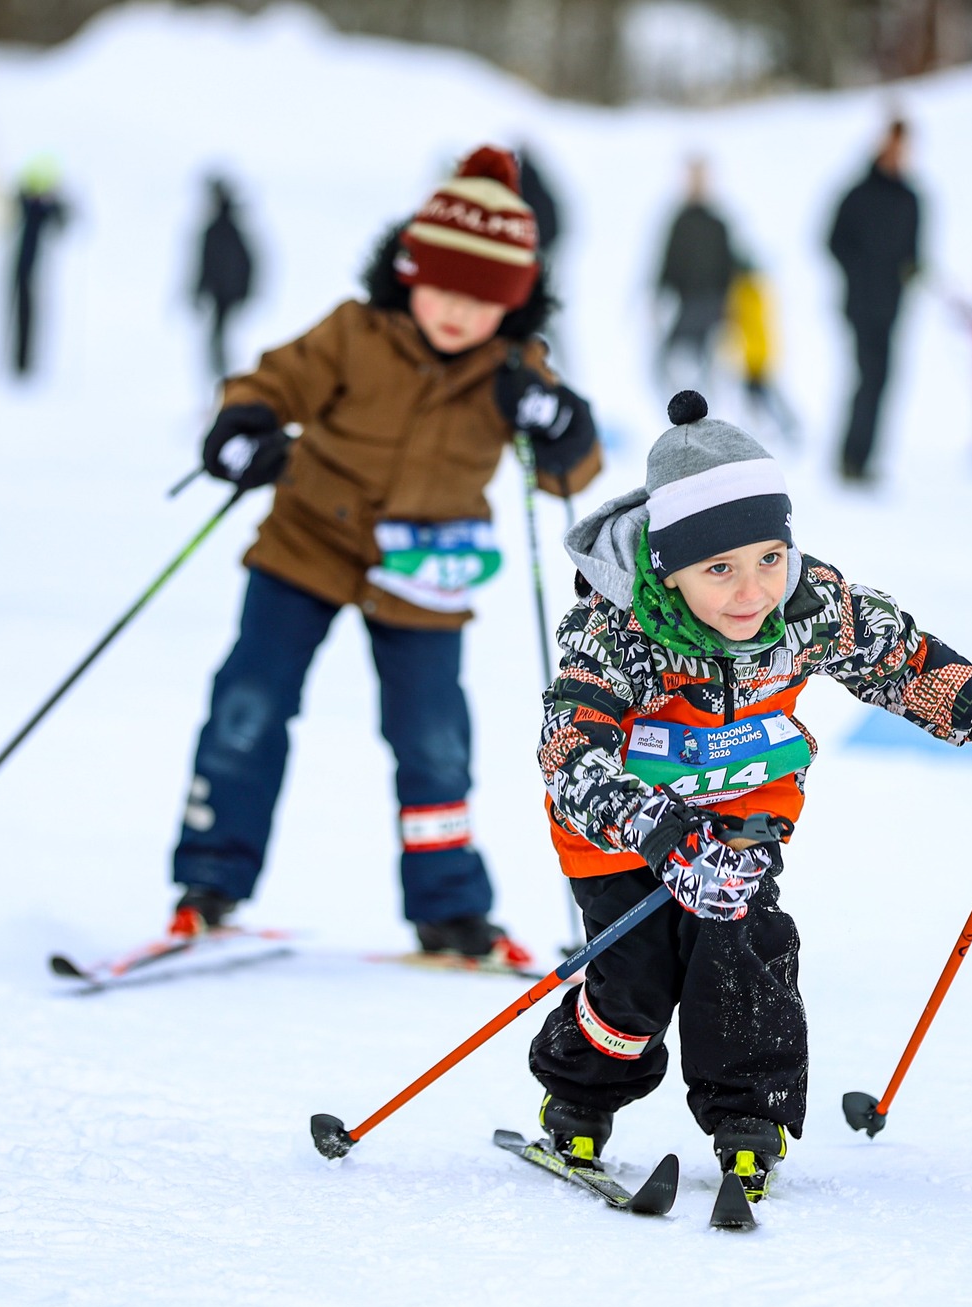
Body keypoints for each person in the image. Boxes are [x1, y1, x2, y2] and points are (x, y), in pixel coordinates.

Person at [526, 389, 972, 1205]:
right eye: (718, 569)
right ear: (667, 567)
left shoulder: (810, 605)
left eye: (768, 556)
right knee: (636, 984)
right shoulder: (617, 629)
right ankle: (579, 1099)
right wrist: (656, 828)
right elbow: (568, 747)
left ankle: (749, 1118)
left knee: (743, 947)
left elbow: (905, 666)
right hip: (624, 829)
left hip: (743, 812)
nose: (751, 590)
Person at [168, 146, 604, 966]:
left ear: (512, 303)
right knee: (248, 702)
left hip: (425, 574)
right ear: (408, 274)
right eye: (443, 289)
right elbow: (268, 383)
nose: (457, 312)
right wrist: (243, 427)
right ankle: (209, 882)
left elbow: (568, 473)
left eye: (482, 299)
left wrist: (558, 422)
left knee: (434, 737)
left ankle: (450, 908)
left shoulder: (514, 370)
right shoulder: (354, 333)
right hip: (305, 545)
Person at [828, 119, 923, 485]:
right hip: (861, 304)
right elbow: (834, 241)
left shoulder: (910, 199)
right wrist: (861, 272)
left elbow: (912, 251)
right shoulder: (858, 194)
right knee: (868, 377)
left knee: (882, 380)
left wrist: (911, 270)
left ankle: (861, 458)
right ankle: (851, 458)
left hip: (891, 307)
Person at [655, 158, 736, 391]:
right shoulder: (680, 222)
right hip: (687, 305)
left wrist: (730, 306)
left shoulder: (717, 224)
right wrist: (659, 293)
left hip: (713, 307)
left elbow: (728, 267)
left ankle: (706, 403)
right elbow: (668, 262)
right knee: (669, 363)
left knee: (711, 369)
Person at [724, 254, 797, 441]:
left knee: (762, 397)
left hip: (752, 359)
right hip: (759, 355)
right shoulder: (757, 290)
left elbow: (742, 325)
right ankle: (780, 426)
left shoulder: (743, 293)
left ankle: (783, 426)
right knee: (761, 397)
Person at [8, 155, 69, 379]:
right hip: (20, 267)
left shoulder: (51, 211)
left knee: (37, 314)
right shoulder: (20, 205)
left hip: (41, 272)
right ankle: (18, 363)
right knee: (18, 313)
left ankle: (31, 364)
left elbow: (64, 226)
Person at [194, 175, 253, 379]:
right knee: (217, 340)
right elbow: (205, 265)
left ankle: (225, 379)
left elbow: (243, 264)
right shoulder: (221, 229)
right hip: (221, 294)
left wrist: (241, 291)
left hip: (226, 295)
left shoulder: (225, 230)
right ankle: (221, 379)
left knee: (221, 340)